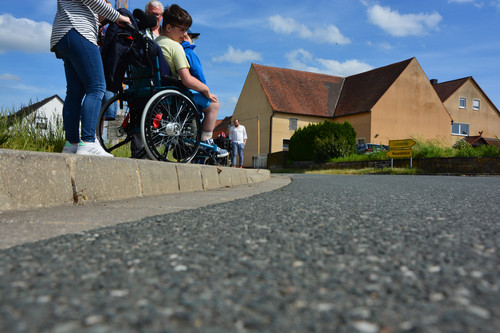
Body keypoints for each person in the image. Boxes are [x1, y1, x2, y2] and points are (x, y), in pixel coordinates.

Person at [51, 0, 131, 156]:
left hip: (63, 34)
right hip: (78, 30)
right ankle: (88, 142)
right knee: (97, 87)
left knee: (75, 93)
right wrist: (118, 17)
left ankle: (71, 144)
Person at [155, 4, 228, 158]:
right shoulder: (176, 47)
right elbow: (187, 79)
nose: (185, 34)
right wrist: (206, 91)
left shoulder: (156, 43)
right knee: (214, 104)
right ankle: (207, 139)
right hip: (174, 98)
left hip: (157, 94)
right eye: (182, 30)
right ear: (168, 27)